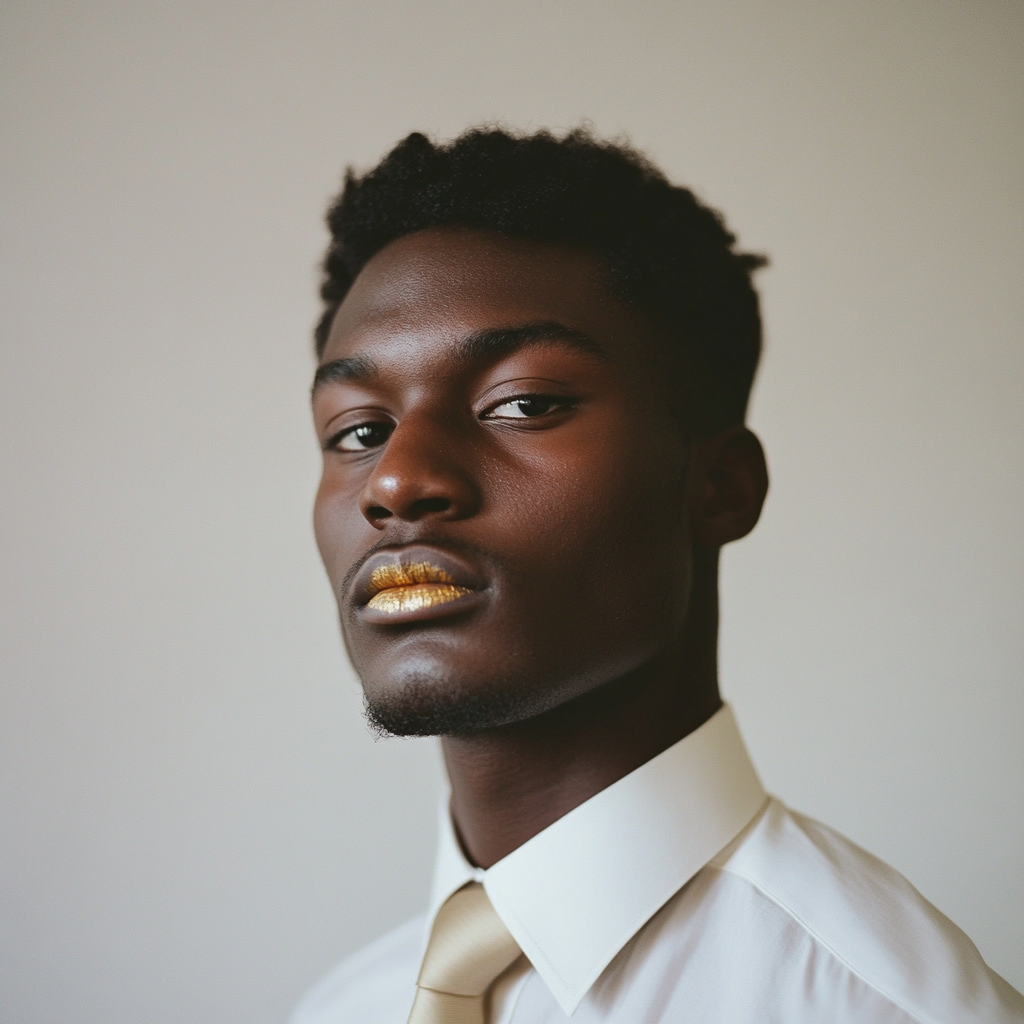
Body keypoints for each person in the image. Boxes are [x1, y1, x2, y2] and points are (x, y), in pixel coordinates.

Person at [291, 127, 1022, 1024]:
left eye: (523, 403)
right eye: (360, 431)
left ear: (719, 488)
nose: (398, 480)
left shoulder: (878, 1008)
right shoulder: (339, 1008)